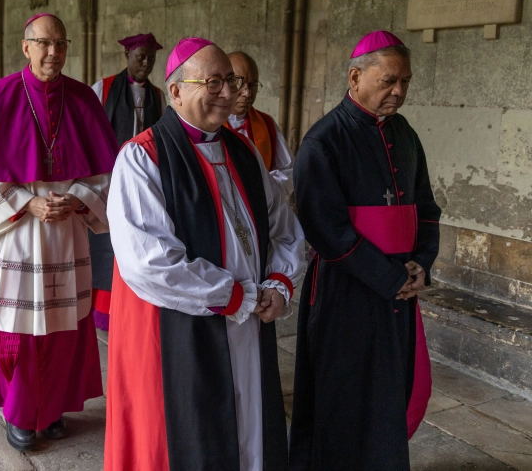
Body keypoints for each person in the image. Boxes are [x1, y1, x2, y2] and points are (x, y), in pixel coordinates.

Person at [103, 37, 305, 471]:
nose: (229, 94)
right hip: (183, 327)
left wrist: (279, 283)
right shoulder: (143, 157)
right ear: (176, 92)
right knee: (189, 434)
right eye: (213, 83)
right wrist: (236, 295)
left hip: (250, 321)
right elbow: (148, 261)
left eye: (230, 82)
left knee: (250, 424)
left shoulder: (245, 151)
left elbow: (285, 229)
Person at [0, 14, 116, 451]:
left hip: (65, 233)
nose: (53, 53)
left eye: (60, 44)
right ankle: (21, 411)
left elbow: (105, 175)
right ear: (26, 47)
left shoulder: (83, 99)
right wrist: (28, 201)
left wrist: (78, 198)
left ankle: (55, 407)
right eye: (44, 43)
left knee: (63, 325)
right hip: (17, 234)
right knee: (19, 328)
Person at [288, 31, 440, 471]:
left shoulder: (405, 133)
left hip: (399, 288)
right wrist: (391, 278)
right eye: (390, 80)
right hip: (346, 291)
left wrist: (421, 266)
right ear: (355, 77)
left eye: (406, 82)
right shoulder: (323, 140)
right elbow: (326, 229)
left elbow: (426, 208)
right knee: (345, 393)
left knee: (390, 391)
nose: (399, 91)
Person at [88, 32, 167, 331]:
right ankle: (103, 312)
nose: (145, 63)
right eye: (140, 57)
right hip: (107, 181)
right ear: (127, 56)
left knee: (139, 241)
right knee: (105, 243)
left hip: (143, 184)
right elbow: (88, 132)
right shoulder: (104, 89)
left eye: (150, 58)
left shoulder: (158, 96)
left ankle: (133, 308)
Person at [225, 51, 293, 195]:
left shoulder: (267, 124)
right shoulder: (210, 125)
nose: (247, 93)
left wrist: (265, 189)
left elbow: (289, 170)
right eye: (239, 83)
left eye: (252, 85)